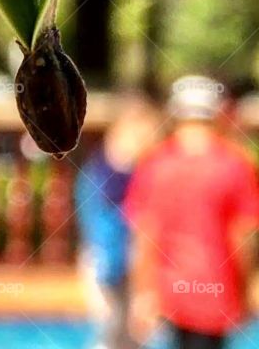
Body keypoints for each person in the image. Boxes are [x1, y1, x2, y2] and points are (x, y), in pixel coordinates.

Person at [126, 75, 259, 349]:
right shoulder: (236, 165)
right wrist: (245, 292)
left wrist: (143, 293)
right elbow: (243, 238)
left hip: (168, 294)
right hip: (218, 291)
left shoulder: (154, 164)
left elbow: (144, 236)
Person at [75, 92, 161, 349]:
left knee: (131, 333)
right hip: (108, 262)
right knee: (115, 331)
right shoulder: (110, 172)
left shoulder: (108, 167)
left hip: (121, 262)